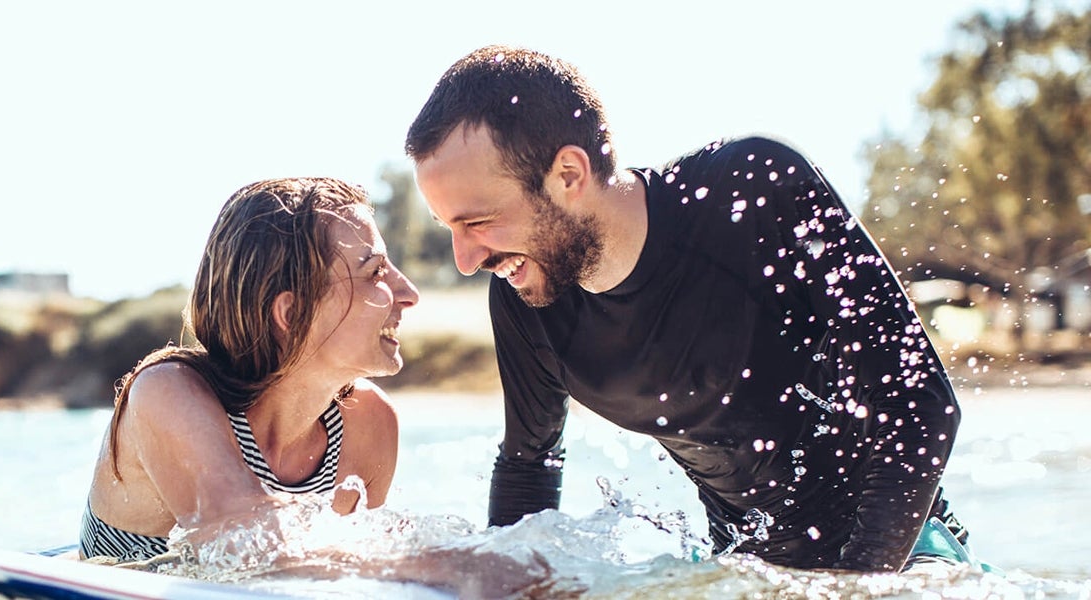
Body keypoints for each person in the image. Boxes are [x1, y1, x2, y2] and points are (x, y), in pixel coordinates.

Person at [403, 45, 966, 572]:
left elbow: (921, 403)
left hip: (904, 553)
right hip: (744, 571)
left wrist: (857, 587)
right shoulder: (528, 297)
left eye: (475, 222)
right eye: (449, 228)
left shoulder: (749, 191)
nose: (465, 259)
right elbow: (529, 466)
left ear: (568, 175)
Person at [79, 177, 420, 563]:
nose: (408, 293)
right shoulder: (167, 392)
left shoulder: (369, 424)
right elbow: (246, 548)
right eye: (375, 272)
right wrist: (456, 569)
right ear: (292, 314)